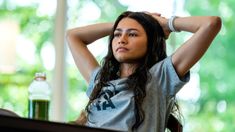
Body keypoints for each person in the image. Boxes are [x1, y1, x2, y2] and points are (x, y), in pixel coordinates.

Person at [66, 11, 221, 132]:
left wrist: (166, 24)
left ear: (151, 41)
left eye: (132, 34)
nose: (122, 39)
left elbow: (211, 24)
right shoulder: (100, 80)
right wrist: (128, 20)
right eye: (117, 34)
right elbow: (72, 35)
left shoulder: (160, 77)